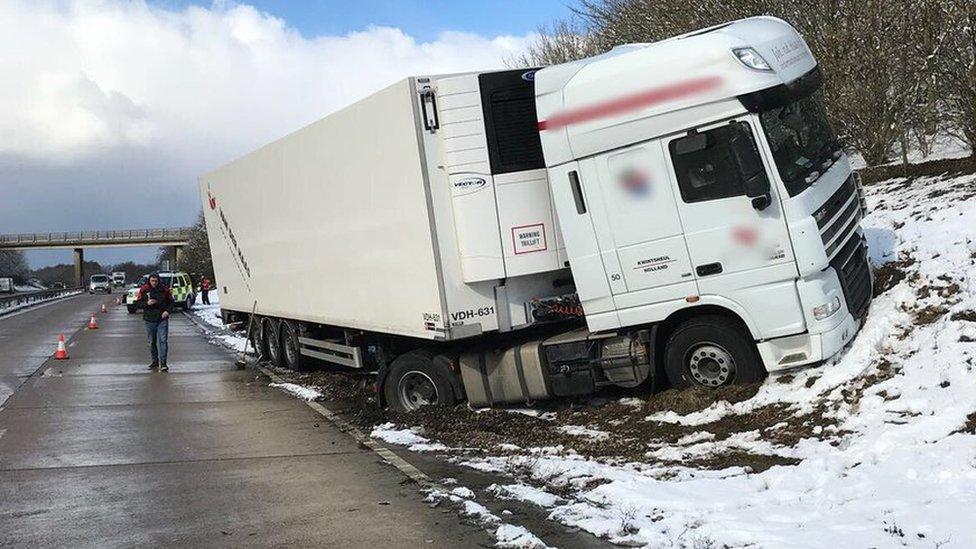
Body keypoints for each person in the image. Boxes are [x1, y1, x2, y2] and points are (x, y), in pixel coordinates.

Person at [137, 273, 175, 372]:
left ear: (159, 281)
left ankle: (163, 363)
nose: (154, 283)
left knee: (163, 341)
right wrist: (146, 303)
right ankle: (155, 361)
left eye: (156, 281)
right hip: (149, 320)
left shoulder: (164, 290)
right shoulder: (144, 290)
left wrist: (167, 311)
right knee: (152, 342)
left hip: (162, 319)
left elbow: (171, 302)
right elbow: (137, 303)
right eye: (152, 281)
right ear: (149, 281)